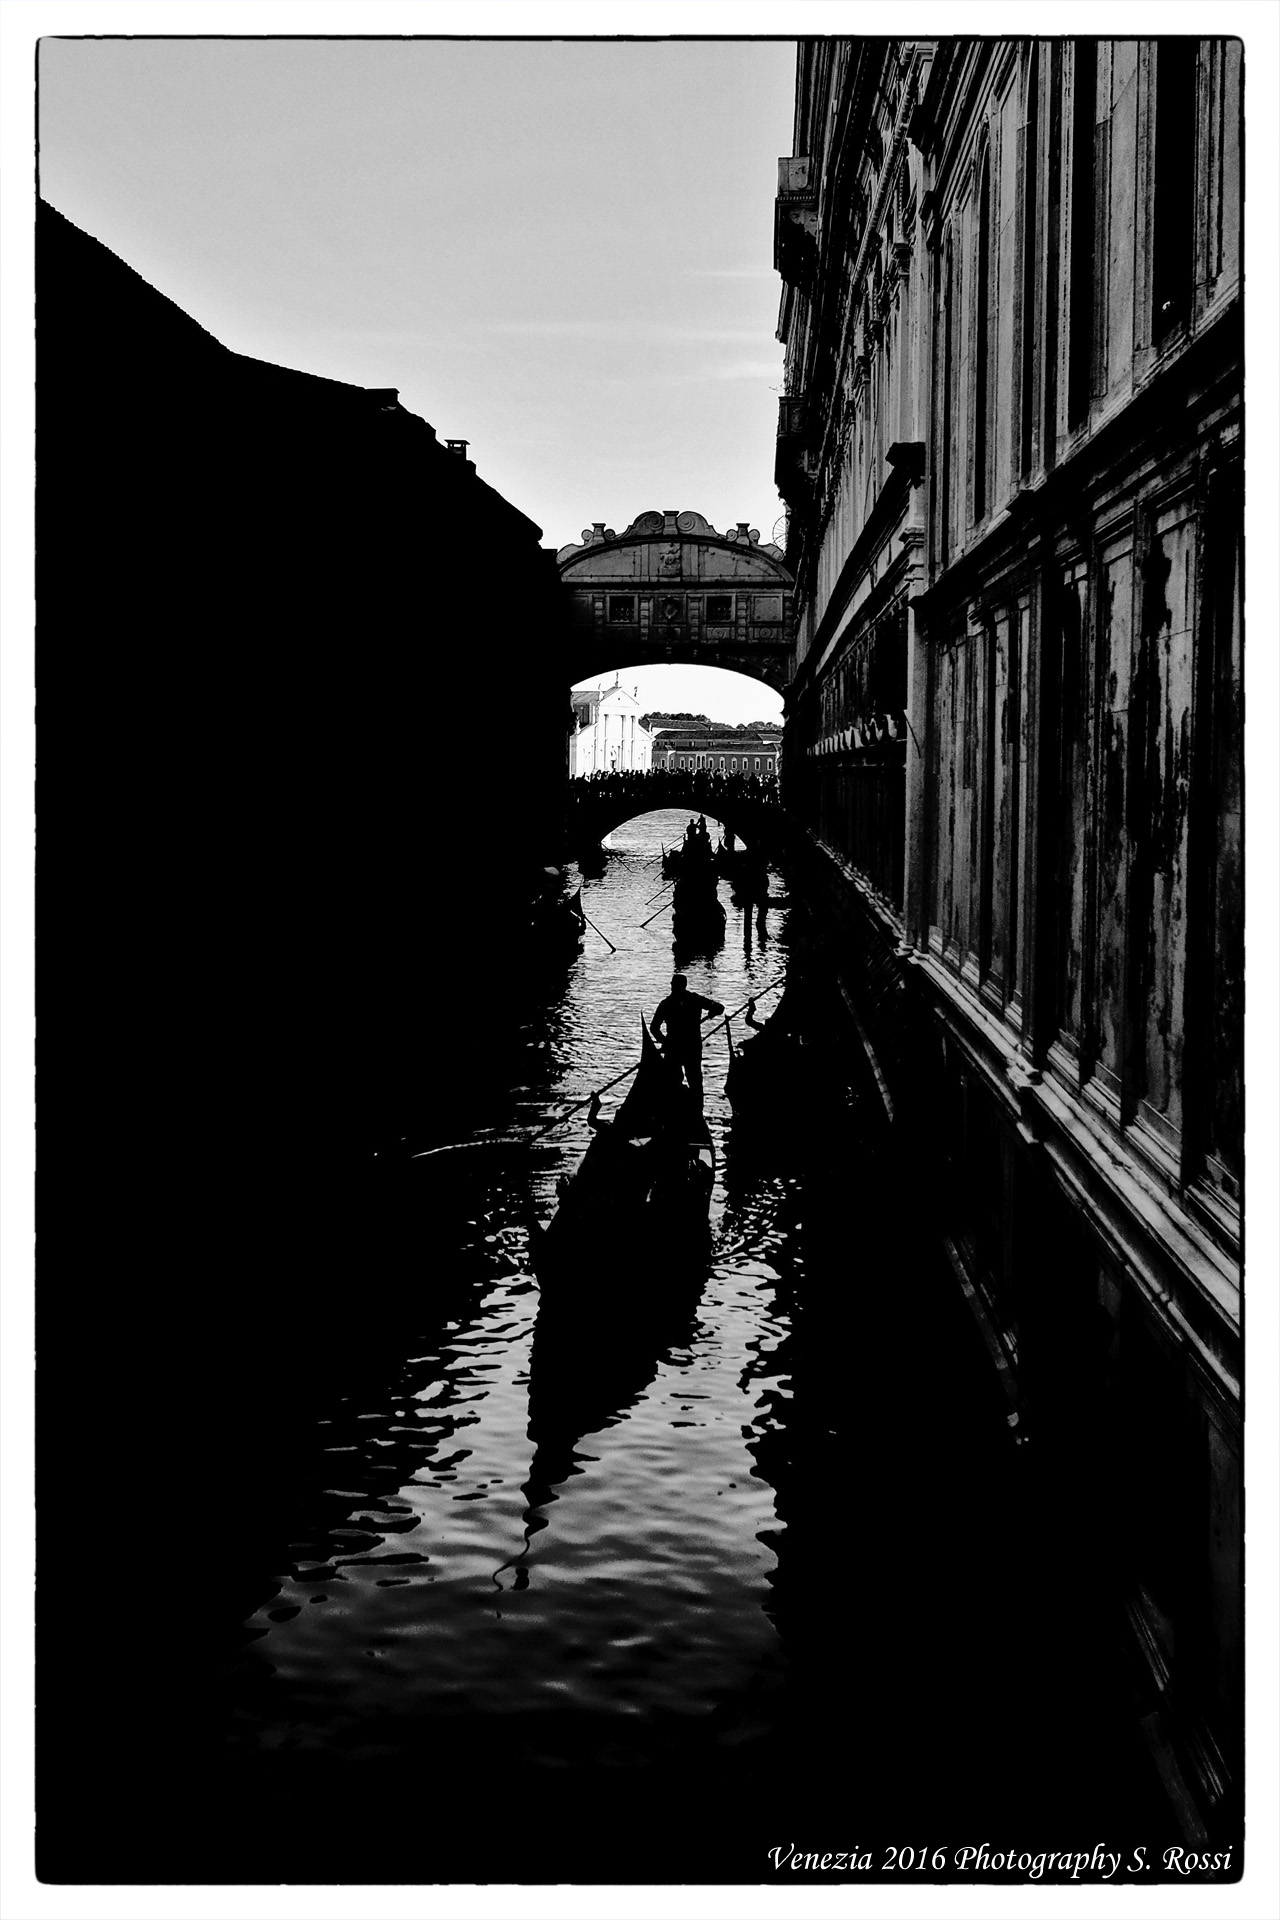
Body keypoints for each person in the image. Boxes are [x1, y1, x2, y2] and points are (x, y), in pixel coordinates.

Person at [650, 973, 723, 1108]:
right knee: (693, 1084)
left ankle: (680, 1109)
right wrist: (712, 1012)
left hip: (676, 1050)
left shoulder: (667, 1003)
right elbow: (719, 1008)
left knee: (675, 1084)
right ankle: (696, 1109)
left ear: (672, 985)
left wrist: (664, 1042)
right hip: (689, 1048)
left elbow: (654, 1028)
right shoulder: (694, 999)